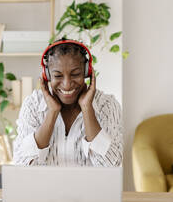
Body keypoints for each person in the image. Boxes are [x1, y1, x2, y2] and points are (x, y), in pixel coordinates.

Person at [13, 39, 123, 167]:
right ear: (47, 75)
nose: (67, 84)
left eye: (75, 74)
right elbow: (23, 165)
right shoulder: (33, 104)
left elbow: (111, 166)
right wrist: (52, 112)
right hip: (45, 187)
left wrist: (87, 108)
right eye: (58, 76)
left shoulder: (107, 105)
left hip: (91, 187)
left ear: (87, 72)